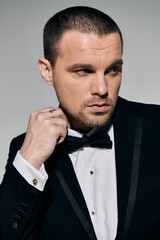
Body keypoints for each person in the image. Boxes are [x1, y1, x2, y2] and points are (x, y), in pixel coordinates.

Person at [0, 6, 160, 240]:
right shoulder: (24, 151)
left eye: (113, 70)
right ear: (47, 71)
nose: (102, 89)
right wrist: (30, 159)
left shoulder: (156, 126)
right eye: (84, 71)